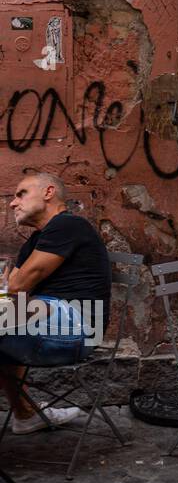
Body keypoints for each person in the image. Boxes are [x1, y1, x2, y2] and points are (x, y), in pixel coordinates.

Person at [0, 173, 110, 434]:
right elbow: (13, 289)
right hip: (45, 319)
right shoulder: (37, 241)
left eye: (21, 193)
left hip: (79, 327)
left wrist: (12, 287)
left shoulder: (68, 225)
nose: (13, 203)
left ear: (48, 192)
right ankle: (26, 415)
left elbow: (15, 285)